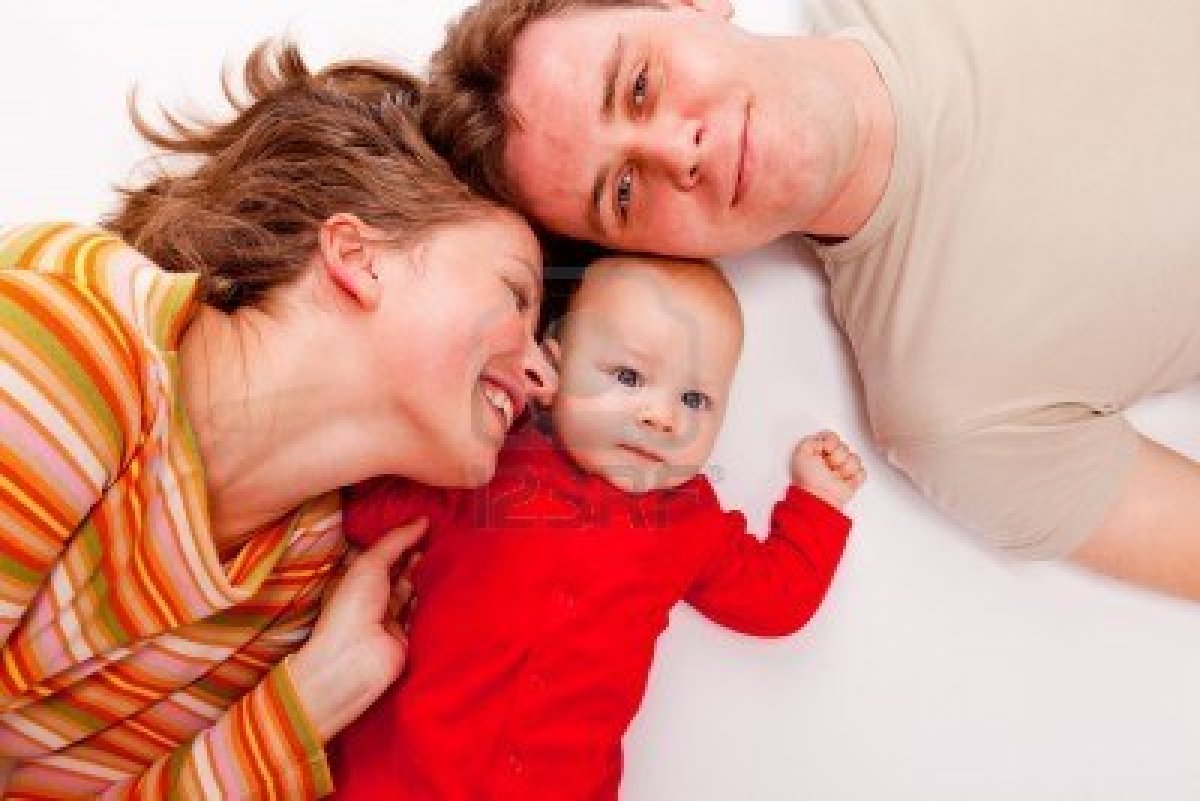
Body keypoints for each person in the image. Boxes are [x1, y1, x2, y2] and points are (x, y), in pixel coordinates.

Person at [416, 0, 1200, 599]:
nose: (678, 151)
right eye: (623, 192)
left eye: (642, 86)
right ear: (649, 255)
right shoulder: (951, 412)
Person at [0, 41, 556, 797]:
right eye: (516, 296)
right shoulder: (61, 349)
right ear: (357, 256)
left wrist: (303, 704)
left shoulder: (294, 595)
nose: (543, 375)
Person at [328, 255, 864, 799]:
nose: (663, 417)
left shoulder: (688, 520)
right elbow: (367, 508)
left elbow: (773, 599)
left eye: (694, 399)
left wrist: (816, 501)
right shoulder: (493, 458)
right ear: (552, 373)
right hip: (397, 775)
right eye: (628, 377)